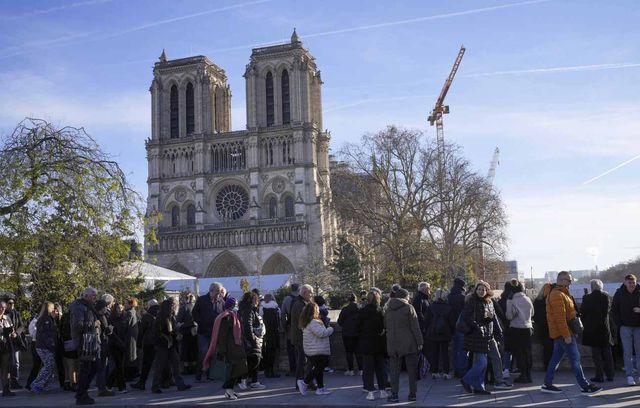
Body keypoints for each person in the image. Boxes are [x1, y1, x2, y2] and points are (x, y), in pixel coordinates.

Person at [540, 271, 601, 394]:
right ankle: (585, 386)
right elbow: (560, 318)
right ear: (561, 280)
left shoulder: (558, 293)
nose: (570, 283)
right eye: (569, 280)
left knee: (555, 359)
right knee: (575, 359)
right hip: (564, 333)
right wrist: (567, 335)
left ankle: (547, 384)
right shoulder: (557, 294)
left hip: (561, 333)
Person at [202, 297, 248, 400]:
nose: (236, 305)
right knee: (231, 371)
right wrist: (222, 350)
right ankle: (228, 390)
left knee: (239, 369)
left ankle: (231, 390)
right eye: (234, 304)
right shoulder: (226, 317)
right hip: (230, 349)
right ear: (230, 305)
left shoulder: (234, 316)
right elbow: (222, 335)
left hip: (236, 347)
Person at [459, 281, 498, 395]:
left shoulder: (488, 302)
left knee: (479, 363)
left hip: (486, 335)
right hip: (475, 335)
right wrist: (477, 327)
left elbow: (489, 319)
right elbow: (467, 317)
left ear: (487, 291)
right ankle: (466, 380)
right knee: (482, 363)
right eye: (479, 289)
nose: (481, 291)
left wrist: (490, 319)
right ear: (476, 290)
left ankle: (479, 387)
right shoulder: (472, 301)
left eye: (483, 289)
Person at [384, 287, 423, 403]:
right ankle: (412, 394)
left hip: (393, 344)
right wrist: (420, 342)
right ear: (406, 297)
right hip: (409, 343)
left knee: (394, 371)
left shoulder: (388, 309)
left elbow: (386, 326)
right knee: (412, 370)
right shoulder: (408, 308)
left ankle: (394, 395)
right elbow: (415, 327)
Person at [150, 298, 192, 394]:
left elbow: (172, 330)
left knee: (176, 365)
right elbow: (157, 333)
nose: (173, 307)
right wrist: (169, 336)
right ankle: (155, 386)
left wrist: (176, 334)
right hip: (162, 346)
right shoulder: (160, 317)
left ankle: (180, 385)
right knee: (159, 367)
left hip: (171, 344)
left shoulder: (171, 317)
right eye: (172, 306)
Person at [69, 287, 101, 405]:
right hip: (84, 343)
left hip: (90, 342)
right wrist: (93, 324)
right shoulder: (79, 307)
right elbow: (78, 325)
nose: (95, 298)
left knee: (93, 367)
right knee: (86, 369)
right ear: (86, 296)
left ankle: (82, 392)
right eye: (93, 295)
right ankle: (81, 394)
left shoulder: (88, 306)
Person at [581, 279, 614, 383]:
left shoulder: (587, 298)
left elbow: (583, 312)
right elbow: (608, 310)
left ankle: (599, 376)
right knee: (607, 354)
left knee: (597, 355)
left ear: (591, 287)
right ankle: (610, 375)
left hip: (592, 329)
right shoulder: (606, 296)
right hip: (604, 328)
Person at [297, 302, 333, 396]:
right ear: (314, 311)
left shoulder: (307, 322)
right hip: (317, 350)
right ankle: (304, 382)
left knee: (319, 369)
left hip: (312, 349)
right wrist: (329, 328)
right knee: (320, 367)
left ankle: (320, 388)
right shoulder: (313, 322)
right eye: (317, 309)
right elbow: (322, 333)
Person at [192, 282, 226, 381]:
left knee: (213, 353)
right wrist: (201, 322)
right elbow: (194, 313)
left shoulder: (221, 301)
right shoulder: (202, 300)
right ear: (211, 290)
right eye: (218, 292)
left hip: (215, 332)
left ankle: (209, 374)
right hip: (204, 331)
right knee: (203, 352)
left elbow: (224, 313)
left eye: (220, 292)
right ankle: (199, 373)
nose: (219, 294)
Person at [357, 290, 388, 401]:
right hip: (378, 343)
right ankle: (383, 390)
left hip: (366, 343)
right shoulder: (380, 311)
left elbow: (358, 327)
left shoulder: (362, 311)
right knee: (381, 368)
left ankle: (370, 392)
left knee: (368, 369)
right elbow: (383, 327)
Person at [611, 274, 640, 386]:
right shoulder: (619, 293)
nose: (632, 285)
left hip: (638, 326)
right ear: (625, 283)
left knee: (639, 352)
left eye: (633, 282)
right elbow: (614, 310)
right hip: (625, 327)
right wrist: (620, 325)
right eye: (629, 282)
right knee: (627, 352)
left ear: (636, 282)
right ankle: (629, 376)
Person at [505, 279, 534, 383]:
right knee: (527, 352)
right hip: (528, 328)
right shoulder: (528, 299)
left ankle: (523, 375)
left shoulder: (511, 300)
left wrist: (509, 303)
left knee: (519, 353)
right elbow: (532, 313)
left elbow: (509, 316)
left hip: (516, 329)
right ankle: (528, 375)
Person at [238, 291, 266, 390]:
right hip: (250, 340)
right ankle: (243, 379)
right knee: (254, 359)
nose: (257, 302)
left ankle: (254, 381)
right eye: (256, 300)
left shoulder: (248, 309)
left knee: (254, 359)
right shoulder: (248, 310)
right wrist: (254, 340)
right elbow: (247, 326)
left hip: (251, 339)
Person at [425, 288, 454, 380]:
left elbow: (427, 320)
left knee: (434, 353)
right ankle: (446, 372)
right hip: (445, 332)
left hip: (433, 332)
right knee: (445, 353)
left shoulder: (431, 307)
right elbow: (452, 322)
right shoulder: (449, 308)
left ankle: (434, 372)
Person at [30, 301, 59, 393]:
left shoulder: (48, 318)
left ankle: (43, 385)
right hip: (44, 346)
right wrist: (51, 345)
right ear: (48, 308)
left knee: (49, 366)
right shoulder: (44, 319)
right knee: (48, 366)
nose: (54, 309)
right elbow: (45, 334)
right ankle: (37, 384)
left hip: (45, 346)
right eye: (52, 307)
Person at [131, 299, 159, 390]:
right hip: (159, 342)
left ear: (149, 306)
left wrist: (138, 343)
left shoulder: (147, 316)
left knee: (146, 363)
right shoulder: (161, 313)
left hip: (149, 343)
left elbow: (141, 331)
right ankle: (166, 381)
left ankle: (142, 382)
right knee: (163, 363)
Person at [290, 284, 313, 389]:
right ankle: (302, 383)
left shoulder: (301, 303)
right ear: (304, 293)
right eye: (310, 292)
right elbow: (303, 321)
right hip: (301, 337)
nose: (311, 295)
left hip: (301, 336)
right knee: (302, 361)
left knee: (305, 361)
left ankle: (305, 382)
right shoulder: (299, 304)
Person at [93, 299, 115, 397]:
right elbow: (106, 331)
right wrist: (111, 328)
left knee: (100, 367)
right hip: (101, 345)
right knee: (102, 367)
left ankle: (100, 386)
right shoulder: (101, 317)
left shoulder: (97, 315)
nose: (107, 308)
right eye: (105, 307)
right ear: (102, 308)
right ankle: (102, 389)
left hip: (100, 344)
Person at [337, 293, 362, 376]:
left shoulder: (345, 309)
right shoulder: (360, 308)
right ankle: (361, 369)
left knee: (349, 352)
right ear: (356, 299)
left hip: (347, 334)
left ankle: (350, 370)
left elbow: (339, 322)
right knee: (358, 352)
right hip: (358, 333)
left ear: (349, 300)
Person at [448, 277, 467, 378]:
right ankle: (461, 370)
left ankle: (455, 369)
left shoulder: (449, 296)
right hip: (461, 325)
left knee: (455, 349)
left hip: (451, 325)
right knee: (462, 348)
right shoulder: (463, 297)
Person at [5, 297, 25, 390]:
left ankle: (15, 381)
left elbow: (22, 325)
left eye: (13, 303)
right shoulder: (3, 314)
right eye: (9, 303)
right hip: (5, 341)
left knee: (16, 362)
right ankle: (6, 383)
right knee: (7, 363)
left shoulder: (16, 314)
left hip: (15, 341)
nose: (12, 304)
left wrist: (16, 333)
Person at [107, 303, 128, 393]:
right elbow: (111, 333)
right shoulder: (111, 318)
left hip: (123, 344)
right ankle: (121, 387)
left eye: (121, 308)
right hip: (114, 345)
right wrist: (120, 343)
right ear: (115, 309)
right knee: (119, 366)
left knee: (119, 366)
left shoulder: (124, 318)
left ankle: (109, 384)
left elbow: (126, 331)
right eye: (118, 308)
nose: (120, 309)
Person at [533, 285, 553, 370]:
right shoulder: (551, 301)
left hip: (541, 326)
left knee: (546, 347)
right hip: (550, 326)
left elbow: (534, 315)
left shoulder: (537, 301)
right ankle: (550, 365)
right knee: (552, 347)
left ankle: (547, 365)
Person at [260, 293, 281, 378]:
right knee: (273, 352)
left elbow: (260, 319)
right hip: (274, 332)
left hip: (265, 333)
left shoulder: (262, 308)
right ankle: (272, 371)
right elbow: (279, 319)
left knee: (265, 352)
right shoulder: (276, 308)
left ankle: (266, 370)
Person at [177, 293, 198, 375]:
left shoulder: (183, 308)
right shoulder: (197, 306)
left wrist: (181, 325)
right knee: (194, 349)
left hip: (186, 331)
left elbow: (179, 319)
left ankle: (186, 368)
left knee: (185, 350)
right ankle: (194, 367)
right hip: (195, 330)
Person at [281, 284, 299, 375]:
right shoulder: (302, 298)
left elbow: (283, 314)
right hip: (302, 327)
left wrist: (284, 327)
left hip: (291, 327)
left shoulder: (287, 299)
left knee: (291, 349)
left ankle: (293, 369)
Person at [0, 301, 18, 397]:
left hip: (5, 346)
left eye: (3, 307)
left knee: (5, 368)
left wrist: (13, 334)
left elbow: (13, 331)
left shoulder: (7, 318)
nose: (2, 309)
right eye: (0, 307)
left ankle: (6, 389)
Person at [412, 282, 431, 358]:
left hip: (425, 326)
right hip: (422, 327)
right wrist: (425, 324)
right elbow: (418, 313)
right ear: (424, 289)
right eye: (428, 288)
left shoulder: (424, 298)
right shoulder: (419, 299)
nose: (430, 290)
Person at [123, 297, 139, 381]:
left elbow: (125, 325)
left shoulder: (129, 313)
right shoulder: (133, 311)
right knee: (132, 354)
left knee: (129, 355)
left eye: (125, 303)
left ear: (130, 304)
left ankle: (129, 375)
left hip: (129, 336)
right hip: (133, 336)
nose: (124, 305)